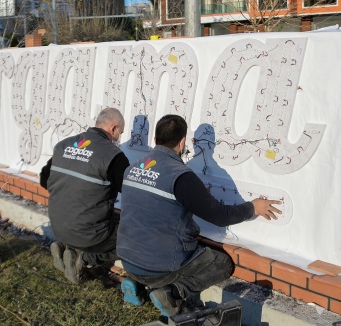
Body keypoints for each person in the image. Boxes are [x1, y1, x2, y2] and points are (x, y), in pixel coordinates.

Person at [117, 114, 282, 317]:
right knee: (221, 263)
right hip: (159, 267)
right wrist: (253, 208)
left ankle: (136, 283)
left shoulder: (133, 168)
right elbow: (220, 216)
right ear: (183, 141)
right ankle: (171, 293)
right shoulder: (181, 176)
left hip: (127, 258)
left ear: (155, 140)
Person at [40, 107, 129, 284]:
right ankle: (84, 257)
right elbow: (132, 193)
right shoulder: (113, 156)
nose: (119, 139)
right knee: (134, 238)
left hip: (58, 226)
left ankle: (67, 246)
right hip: (89, 234)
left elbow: (44, 180)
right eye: (120, 133)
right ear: (113, 129)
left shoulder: (63, 145)